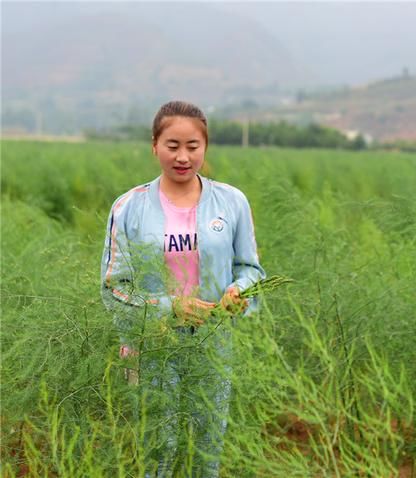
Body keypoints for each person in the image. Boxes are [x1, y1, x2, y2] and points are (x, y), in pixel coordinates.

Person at [100, 100, 266, 477]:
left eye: (193, 146)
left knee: (205, 445)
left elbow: (251, 269)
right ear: (154, 145)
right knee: (157, 447)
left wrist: (240, 292)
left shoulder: (232, 202)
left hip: (213, 343)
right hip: (153, 345)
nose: (183, 157)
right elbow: (115, 288)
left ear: (205, 148)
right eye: (172, 145)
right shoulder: (129, 208)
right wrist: (168, 307)